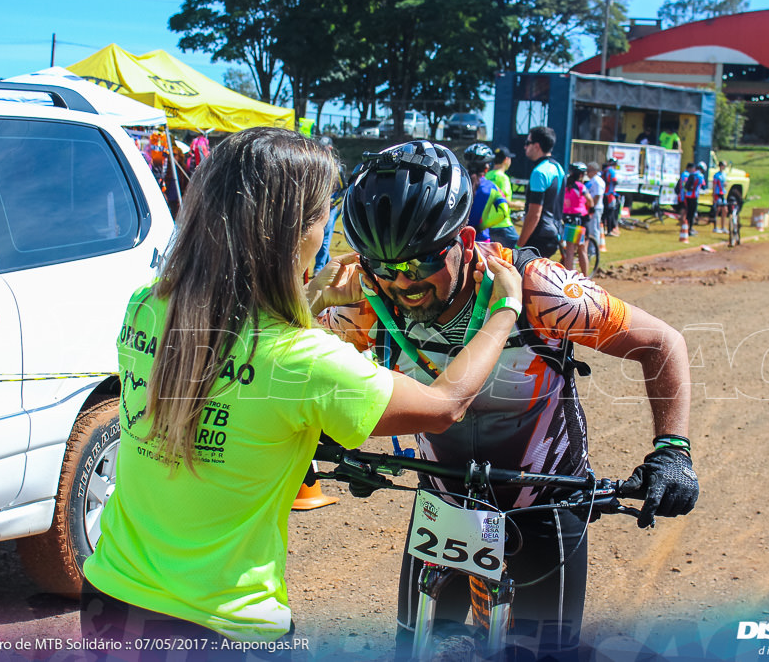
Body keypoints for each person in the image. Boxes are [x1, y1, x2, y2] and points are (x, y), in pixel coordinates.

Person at [79, 128, 524, 655]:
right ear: (292, 232)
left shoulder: (145, 306)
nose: (326, 232)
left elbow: (226, 368)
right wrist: (504, 311)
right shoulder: (304, 361)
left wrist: (309, 297)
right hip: (221, 626)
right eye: (322, 217)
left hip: (109, 594)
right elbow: (445, 405)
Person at [326, 139, 697, 660]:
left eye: (420, 262)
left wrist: (672, 450)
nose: (403, 284)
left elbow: (662, 343)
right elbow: (300, 373)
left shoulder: (542, 291)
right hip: (444, 503)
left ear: (465, 239)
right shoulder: (364, 298)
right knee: (413, 650)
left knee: (543, 653)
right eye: (384, 267)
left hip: (545, 500)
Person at [517, 126, 566, 258]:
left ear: (537, 146)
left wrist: (519, 246)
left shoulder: (539, 172)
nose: (525, 147)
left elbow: (534, 215)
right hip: (554, 234)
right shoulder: (558, 168)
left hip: (539, 237)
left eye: (528, 143)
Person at [464, 142, 515, 247]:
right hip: (481, 242)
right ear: (486, 168)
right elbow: (503, 212)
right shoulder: (491, 188)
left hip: (457, 240)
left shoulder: (458, 183)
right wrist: (480, 227)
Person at [313, 136, 348, 274]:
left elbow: (344, 188)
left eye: (324, 147)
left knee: (324, 236)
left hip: (331, 206)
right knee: (316, 235)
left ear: (330, 148)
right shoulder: (315, 164)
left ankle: (318, 267)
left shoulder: (336, 167)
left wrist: (333, 203)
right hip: (317, 205)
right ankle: (330, 264)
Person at [562, 162, 592, 275]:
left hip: (568, 218)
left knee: (569, 251)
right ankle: (585, 277)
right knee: (582, 250)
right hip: (580, 218)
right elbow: (590, 200)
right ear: (581, 175)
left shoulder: (565, 185)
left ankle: (568, 277)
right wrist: (592, 208)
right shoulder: (580, 186)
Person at [585, 161, 606, 251]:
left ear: (595, 171)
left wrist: (592, 207)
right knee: (590, 228)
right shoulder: (592, 180)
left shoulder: (597, 181)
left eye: (589, 170)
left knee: (594, 229)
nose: (587, 173)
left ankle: (593, 250)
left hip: (595, 208)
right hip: (592, 207)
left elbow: (597, 196)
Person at [601, 157, 621, 237]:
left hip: (604, 194)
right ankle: (609, 230)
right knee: (610, 212)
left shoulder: (604, 170)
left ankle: (603, 229)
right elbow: (615, 181)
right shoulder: (611, 171)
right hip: (609, 194)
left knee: (604, 213)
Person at [711, 161, 728, 234]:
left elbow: (725, 183)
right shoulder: (716, 175)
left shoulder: (724, 174)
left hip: (722, 193)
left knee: (725, 210)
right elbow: (714, 184)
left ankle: (723, 226)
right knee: (717, 210)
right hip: (718, 193)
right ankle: (715, 227)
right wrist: (714, 194)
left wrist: (725, 184)